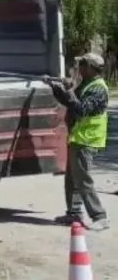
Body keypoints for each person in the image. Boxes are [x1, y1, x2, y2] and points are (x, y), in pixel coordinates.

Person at [49, 53, 110, 230]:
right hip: (78, 137)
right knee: (72, 179)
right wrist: (56, 88)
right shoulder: (86, 84)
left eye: (83, 64)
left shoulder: (98, 89)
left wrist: (68, 90)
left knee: (83, 180)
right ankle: (74, 213)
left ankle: (99, 216)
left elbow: (81, 109)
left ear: (91, 67)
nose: (79, 67)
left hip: (87, 139)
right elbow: (69, 101)